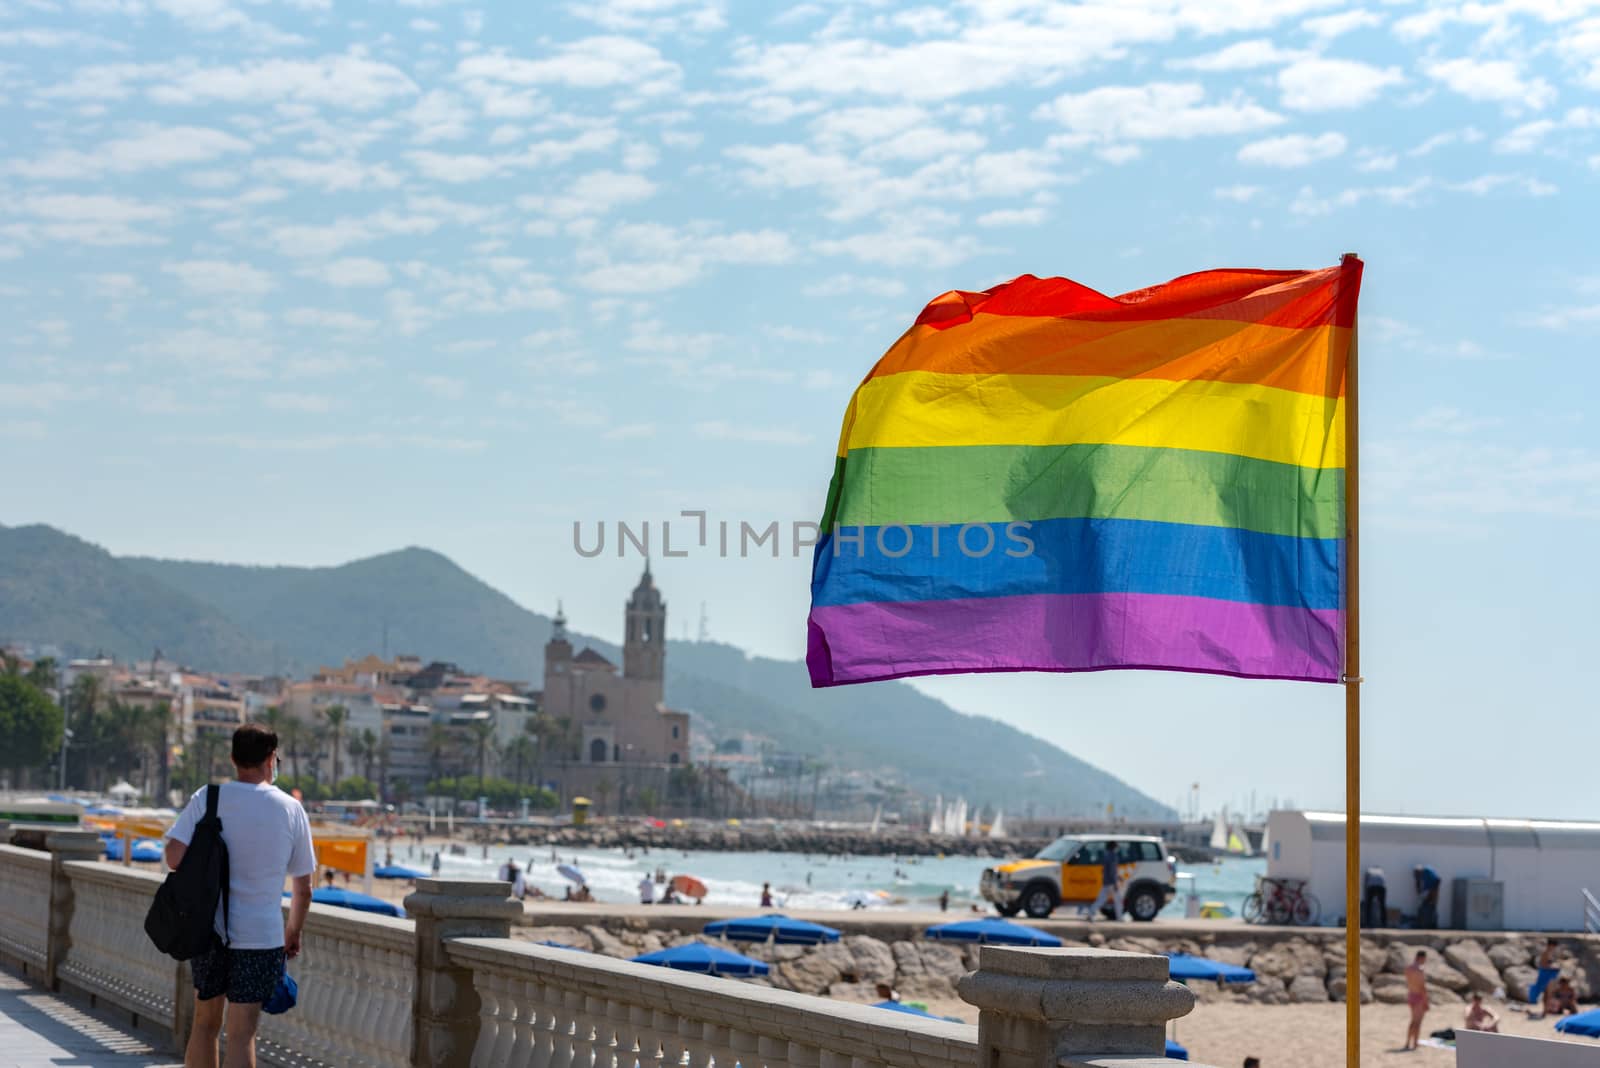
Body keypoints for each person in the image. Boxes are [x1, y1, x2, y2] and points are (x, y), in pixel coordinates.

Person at [162, 723, 315, 1068]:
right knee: (242, 1033)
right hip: (261, 937)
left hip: (209, 931)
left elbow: (173, 858)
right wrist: (292, 931)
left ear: (233, 759)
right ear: (271, 759)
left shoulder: (208, 798)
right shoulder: (290, 809)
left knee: (204, 1024)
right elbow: (303, 887)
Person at [1086, 842, 1121, 921]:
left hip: (1106, 881)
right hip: (1112, 882)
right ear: (1113, 847)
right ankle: (1120, 917)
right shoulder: (1113, 856)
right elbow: (1112, 870)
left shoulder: (1106, 856)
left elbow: (1105, 870)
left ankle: (1091, 913)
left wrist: (1117, 877)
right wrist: (1115, 882)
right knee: (1118, 900)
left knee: (1101, 899)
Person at [1403, 950, 1430, 1051]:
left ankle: (1407, 1042)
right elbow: (1422, 987)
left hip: (1411, 995)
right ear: (1421, 957)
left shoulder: (1408, 969)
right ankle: (1415, 1043)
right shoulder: (1420, 970)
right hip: (1419, 997)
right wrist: (1426, 1001)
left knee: (1413, 1021)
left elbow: (1409, 982)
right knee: (1417, 1022)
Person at [1530, 939, 1561, 1011]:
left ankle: (1546, 1008)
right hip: (1545, 974)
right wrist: (1554, 968)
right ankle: (1545, 1008)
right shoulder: (1546, 953)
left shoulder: (1549, 953)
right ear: (1550, 945)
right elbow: (1544, 965)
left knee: (1547, 992)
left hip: (1546, 973)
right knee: (1546, 991)